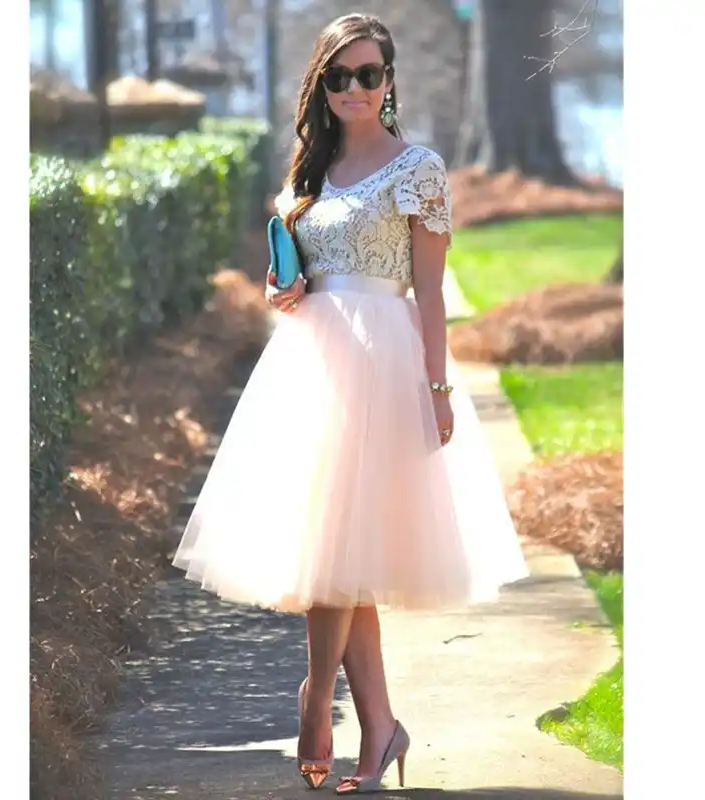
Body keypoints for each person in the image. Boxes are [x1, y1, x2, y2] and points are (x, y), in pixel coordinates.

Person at [172, 12, 529, 795]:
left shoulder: (420, 169)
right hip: (309, 369)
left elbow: (430, 294)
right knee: (335, 550)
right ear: (323, 86)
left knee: (337, 553)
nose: (354, 88)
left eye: (368, 74)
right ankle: (380, 729)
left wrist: (438, 390)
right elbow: (295, 275)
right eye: (339, 76)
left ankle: (314, 708)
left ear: (389, 81)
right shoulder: (311, 169)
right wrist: (284, 288)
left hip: (384, 366)